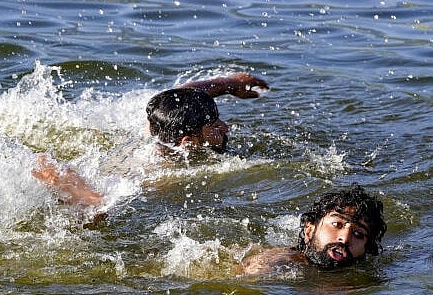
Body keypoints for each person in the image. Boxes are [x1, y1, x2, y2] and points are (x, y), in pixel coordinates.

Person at [32, 72, 269, 207]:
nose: (224, 127)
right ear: (187, 143)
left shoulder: (156, 124)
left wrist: (228, 84)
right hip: (115, 183)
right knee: (99, 204)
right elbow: (115, 205)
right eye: (214, 126)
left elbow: (181, 92)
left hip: (117, 162)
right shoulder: (162, 175)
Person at [240, 184, 387, 275]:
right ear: (309, 230)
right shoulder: (283, 262)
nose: (345, 238)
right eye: (337, 225)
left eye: (358, 234)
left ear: (366, 249)